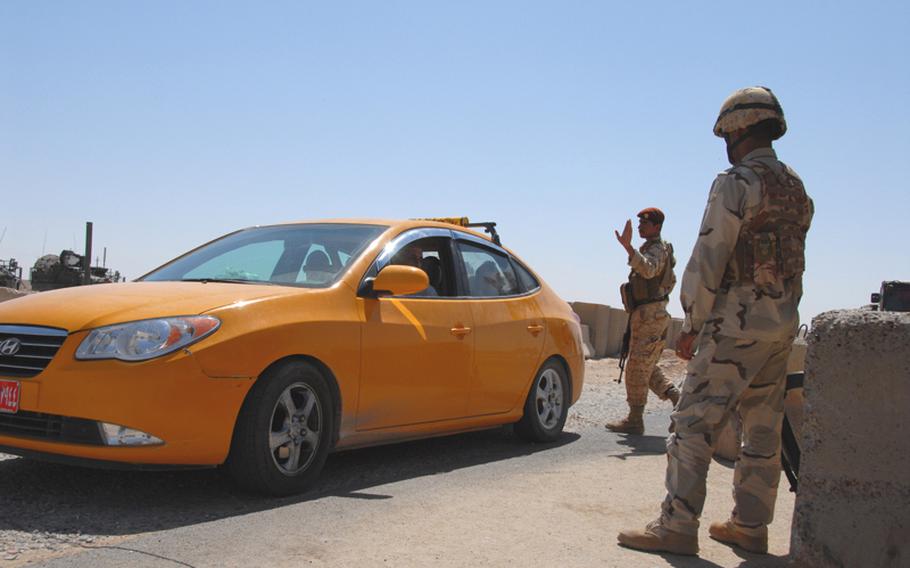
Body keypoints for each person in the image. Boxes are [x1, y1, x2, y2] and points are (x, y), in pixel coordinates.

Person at [617, 86, 814, 556]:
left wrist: (693, 324)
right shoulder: (795, 188)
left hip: (735, 323)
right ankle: (750, 525)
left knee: (691, 422)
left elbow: (709, 258)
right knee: (762, 428)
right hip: (781, 323)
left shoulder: (736, 182)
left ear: (738, 129)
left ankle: (677, 525)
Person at [607, 208, 679, 435]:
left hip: (652, 315)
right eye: (639, 224)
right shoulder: (651, 248)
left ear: (657, 227)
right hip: (644, 314)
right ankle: (676, 397)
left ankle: (635, 420)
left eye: (645, 224)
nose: (640, 227)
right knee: (645, 364)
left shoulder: (659, 249)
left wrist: (628, 247)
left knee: (638, 365)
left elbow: (648, 270)